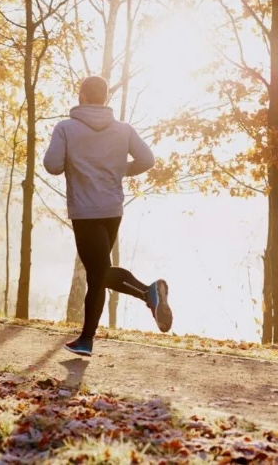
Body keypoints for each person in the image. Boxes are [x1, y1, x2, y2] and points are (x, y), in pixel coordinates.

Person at [43, 75, 172, 357]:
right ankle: (90, 337)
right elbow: (147, 160)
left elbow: (52, 165)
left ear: (82, 97)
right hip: (112, 209)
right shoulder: (123, 130)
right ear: (104, 99)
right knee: (99, 271)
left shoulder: (66, 128)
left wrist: (78, 162)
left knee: (97, 272)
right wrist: (117, 169)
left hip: (85, 211)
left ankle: (142, 295)